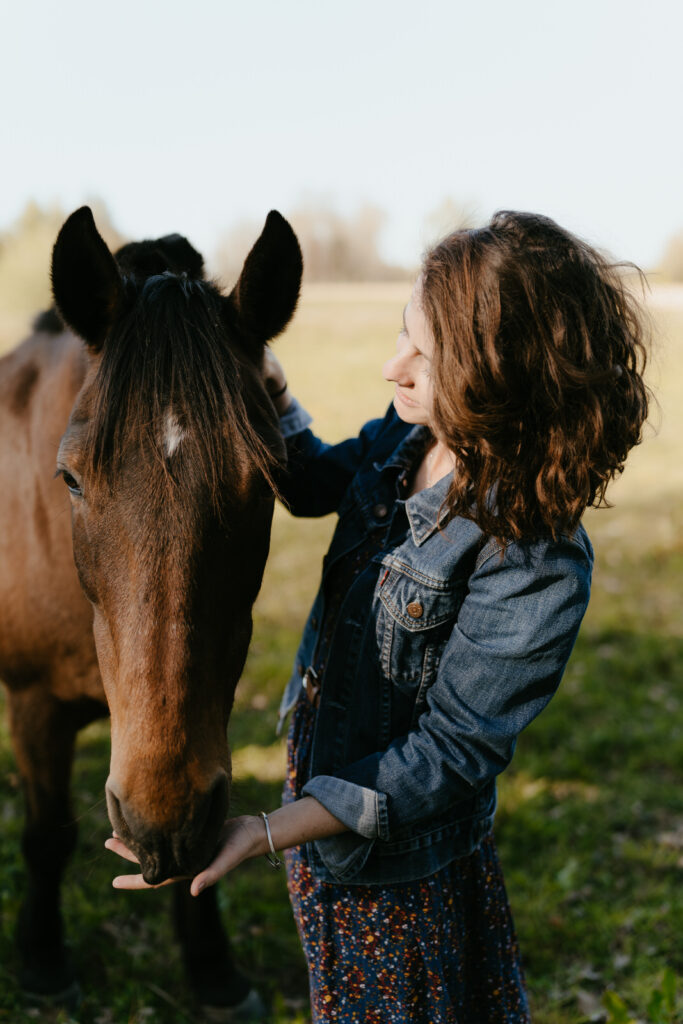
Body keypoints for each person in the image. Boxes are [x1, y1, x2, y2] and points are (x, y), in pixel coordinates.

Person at [106, 211, 649, 1022]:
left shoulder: (531, 555)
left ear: (496, 375)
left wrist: (268, 828)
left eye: (423, 357)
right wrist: (261, 380)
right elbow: (317, 480)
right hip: (318, 795)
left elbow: (450, 754)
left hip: (395, 860)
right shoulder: (404, 440)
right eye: (402, 329)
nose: (390, 364)